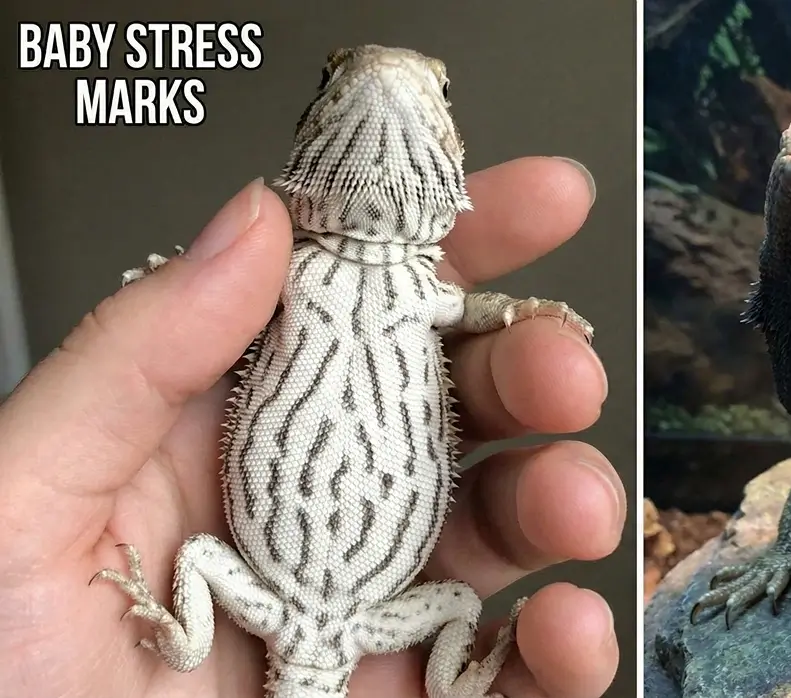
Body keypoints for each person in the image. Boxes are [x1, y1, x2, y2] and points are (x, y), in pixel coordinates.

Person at [0, 156, 623, 698]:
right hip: (361, 619)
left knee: (199, 556)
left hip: (293, 606)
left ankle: (188, 644)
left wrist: (514, 312)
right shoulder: (305, 272)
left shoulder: (381, 284)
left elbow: (474, 310)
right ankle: (449, 686)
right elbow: (469, 310)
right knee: (457, 602)